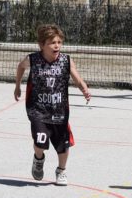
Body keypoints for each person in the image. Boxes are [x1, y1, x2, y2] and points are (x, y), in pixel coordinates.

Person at [14, 24, 91, 186]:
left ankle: (61, 170)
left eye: (59, 42)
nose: (56, 46)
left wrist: (84, 88)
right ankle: (38, 159)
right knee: (40, 141)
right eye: (52, 43)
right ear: (42, 45)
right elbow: (20, 67)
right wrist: (17, 86)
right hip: (38, 109)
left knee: (63, 145)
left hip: (59, 110)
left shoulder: (66, 60)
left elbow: (77, 78)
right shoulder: (33, 59)